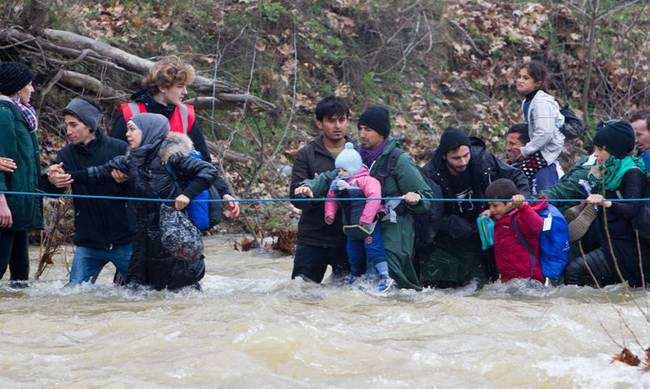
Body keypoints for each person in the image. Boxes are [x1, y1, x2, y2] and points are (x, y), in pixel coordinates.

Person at [70, 113, 222, 290]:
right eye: (128, 129)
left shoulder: (171, 157)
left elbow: (208, 171)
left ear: (150, 131)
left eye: (133, 129)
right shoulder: (131, 159)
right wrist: (66, 177)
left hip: (172, 237)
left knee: (180, 291)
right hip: (143, 238)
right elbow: (97, 172)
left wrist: (187, 194)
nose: (127, 133)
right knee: (139, 291)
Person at [296, 105, 433, 290]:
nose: (361, 134)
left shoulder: (399, 160)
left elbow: (426, 198)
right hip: (360, 226)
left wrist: (416, 198)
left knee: (393, 278)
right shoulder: (355, 157)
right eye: (360, 128)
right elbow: (331, 176)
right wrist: (308, 187)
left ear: (382, 133)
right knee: (359, 275)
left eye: (368, 130)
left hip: (393, 229)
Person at [418, 127, 530, 289]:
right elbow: (431, 215)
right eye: (456, 158)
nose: (463, 162)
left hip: (487, 223)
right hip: (451, 233)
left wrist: (521, 198)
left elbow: (516, 176)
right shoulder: (430, 173)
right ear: (444, 156)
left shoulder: (483, 159)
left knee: (489, 283)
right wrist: (458, 226)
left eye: (466, 155)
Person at [43, 98, 135, 285]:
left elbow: (139, 188)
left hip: (124, 240)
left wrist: (127, 180)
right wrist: (52, 179)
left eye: (74, 125)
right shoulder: (66, 154)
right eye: (67, 125)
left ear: (90, 125)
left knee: (145, 293)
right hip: (88, 243)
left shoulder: (120, 148)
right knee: (72, 297)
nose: (68, 131)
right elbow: (50, 192)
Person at [564, 120, 649, 288]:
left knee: (575, 271)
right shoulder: (609, 172)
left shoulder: (633, 173)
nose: (595, 154)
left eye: (600, 149)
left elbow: (632, 209)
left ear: (615, 150)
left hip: (630, 248)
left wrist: (606, 202)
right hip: (610, 240)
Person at [288, 96, 352, 283]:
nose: (337, 126)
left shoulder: (357, 153)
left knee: (348, 298)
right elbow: (295, 196)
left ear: (348, 121)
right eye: (331, 121)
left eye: (342, 120)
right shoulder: (306, 154)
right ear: (319, 123)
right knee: (302, 293)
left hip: (348, 237)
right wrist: (310, 194)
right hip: (312, 237)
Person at [112, 56, 211, 162]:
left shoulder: (186, 116)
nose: (185, 92)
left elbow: (205, 160)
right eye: (180, 86)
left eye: (185, 87)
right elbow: (112, 156)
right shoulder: (130, 113)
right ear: (162, 87)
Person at [324, 142, 393, 292]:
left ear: (353, 168)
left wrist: (366, 218)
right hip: (351, 228)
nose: (340, 173)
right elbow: (331, 198)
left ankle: (384, 275)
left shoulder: (367, 181)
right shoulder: (337, 183)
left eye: (344, 170)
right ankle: (355, 275)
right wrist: (329, 214)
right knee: (353, 253)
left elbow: (375, 198)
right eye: (339, 170)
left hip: (368, 226)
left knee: (374, 250)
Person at [0, 62, 42, 286]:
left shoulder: (19, 114)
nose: (32, 89)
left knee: (20, 275)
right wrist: (1, 201)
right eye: (29, 84)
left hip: (19, 208)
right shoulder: (4, 113)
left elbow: (25, 164)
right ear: (17, 87)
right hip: (7, 209)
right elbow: (3, 159)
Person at [514, 60, 565, 193]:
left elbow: (545, 133)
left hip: (547, 150)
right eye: (519, 76)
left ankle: (527, 202)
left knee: (520, 174)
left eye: (526, 78)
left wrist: (526, 150)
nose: (520, 80)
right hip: (538, 147)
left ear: (537, 83)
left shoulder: (541, 103)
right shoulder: (527, 101)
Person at [483, 178, 544, 283]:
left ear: (510, 203)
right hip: (507, 279)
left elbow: (538, 226)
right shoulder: (498, 220)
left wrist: (523, 206)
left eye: (495, 205)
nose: (492, 209)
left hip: (530, 280)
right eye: (490, 205)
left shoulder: (521, 218)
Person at [505, 123, 560, 193]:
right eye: (507, 143)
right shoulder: (517, 167)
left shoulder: (546, 171)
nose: (507, 148)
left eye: (512, 144)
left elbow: (544, 202)